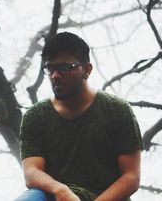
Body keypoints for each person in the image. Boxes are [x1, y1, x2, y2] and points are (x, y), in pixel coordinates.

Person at [15, 32, 143, 201]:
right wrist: (60, 189)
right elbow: (32, 173)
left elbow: (131, 177)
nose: (55, 76)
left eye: (64, 68)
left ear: (87, 70)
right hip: (57, 197)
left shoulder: (117, 110)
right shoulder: (35, 116)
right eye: (50, 68)